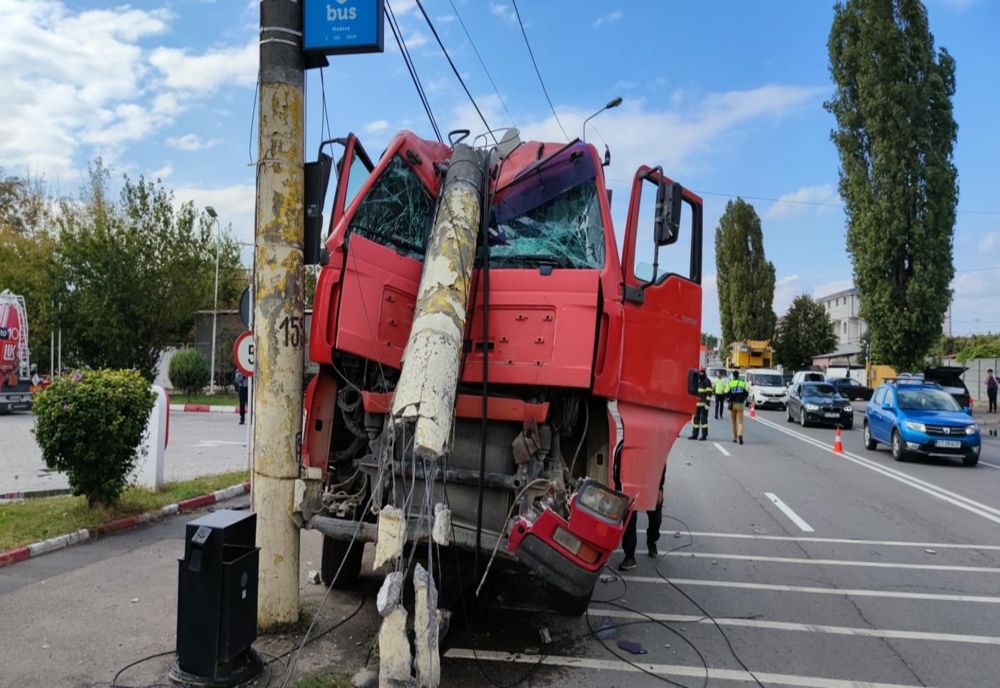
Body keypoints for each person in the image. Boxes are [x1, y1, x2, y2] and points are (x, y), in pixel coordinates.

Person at [619, 467, 665, 571]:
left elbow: (661, 462)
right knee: (629, 519)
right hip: (630, 480)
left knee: (655, 519)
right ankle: (629, 556)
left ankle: (652, 540)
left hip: (651, 480)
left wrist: (660, 487)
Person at [688, 369, 713, 441]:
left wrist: (707, 403)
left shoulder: (707, 381)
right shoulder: (698, 381)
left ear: (704, 373)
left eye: (702, 372)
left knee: (703, 420)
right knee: (696, 420)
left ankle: (704, 435)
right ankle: (694, 435)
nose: (701, 374)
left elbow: (709, 393)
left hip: (704, 405)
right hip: (697, 404)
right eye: (700, 372)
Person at [727, 370, 750, 444]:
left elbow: (726, 393)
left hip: (733, 404)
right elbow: (747, 392)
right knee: (740, 422)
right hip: (740, 404)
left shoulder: (730, 383)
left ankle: (734, 438)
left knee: (733, 422)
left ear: (733, 376)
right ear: (738, 376)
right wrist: (743, 398)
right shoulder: (743, 383)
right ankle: (740, 434)